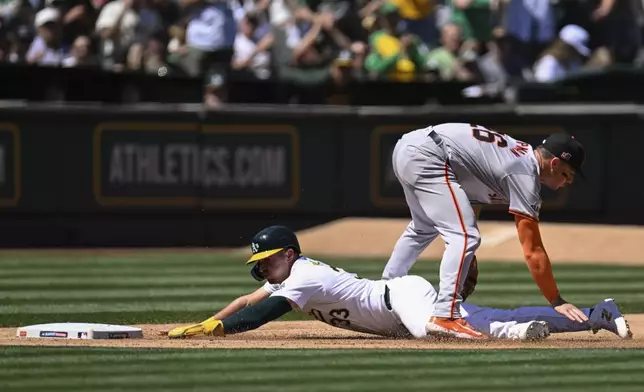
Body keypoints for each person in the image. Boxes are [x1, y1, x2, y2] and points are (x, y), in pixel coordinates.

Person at [167, 226, 632, 341]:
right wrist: (210, 320)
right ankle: (598, 315)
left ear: (288, 254)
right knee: (492, 315)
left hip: (402, 299)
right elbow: (247, 299)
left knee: (437, 329)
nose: (263, 269)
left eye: (267, 261)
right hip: (396, 309)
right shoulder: (289, 276)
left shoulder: (301, 277)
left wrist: (223, 332)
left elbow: (261, 314)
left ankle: (517, 337)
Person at [381, 122, 590, 339]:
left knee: (423, 228)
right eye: (568, 174)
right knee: (465, 236)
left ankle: (383, 296)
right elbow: (533, 250)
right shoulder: (524, 174)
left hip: (411, 147)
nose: (568, 181)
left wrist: (466, 258)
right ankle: (445, 315)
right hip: (429, 153)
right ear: (555, 163)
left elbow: (470, 196)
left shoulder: (515, 157)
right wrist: (555, 300)